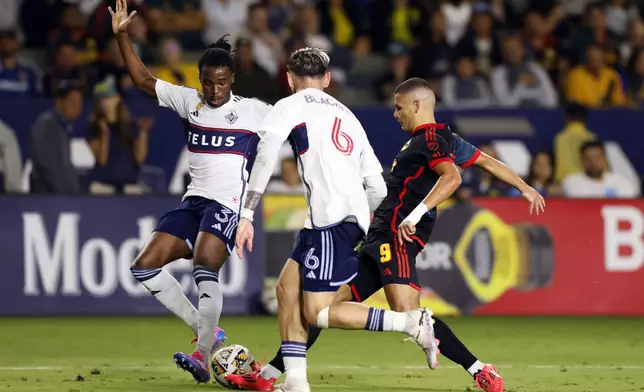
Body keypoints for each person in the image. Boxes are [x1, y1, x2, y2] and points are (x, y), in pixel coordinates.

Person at [228, 78, 546, 392]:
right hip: (378, 238)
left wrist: (417, 214)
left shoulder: (433, 138)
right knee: (321, 309)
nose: (395, 114)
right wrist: (524, 187)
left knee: (410, 316)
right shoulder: (435, 140)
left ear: (417, 105)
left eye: (399, 107)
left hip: (396, 238)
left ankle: (481, 371)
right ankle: (266, 375)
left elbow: (453, 179)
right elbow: (486, 162)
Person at [234, 49, 436, 392]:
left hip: (332, 221)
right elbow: (375, 183)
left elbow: (266, 155)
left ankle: (410, 324)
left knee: (318, 313)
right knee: (286, 288)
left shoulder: (289, 106)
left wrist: (247, 213)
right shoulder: (348, 115)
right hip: (338, 220)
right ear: (327, 79)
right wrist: (382, 226)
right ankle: (295, 382)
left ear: (289, 79)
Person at [108, 0, 272, 383]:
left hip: (227, 205)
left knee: (203, 265)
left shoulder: (255, 112)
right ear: (199, 78)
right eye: (208, 82)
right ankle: (207, 328)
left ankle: (201, 353)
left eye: (222, 82)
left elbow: (296, 125)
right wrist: (123, 37)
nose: (215, 90)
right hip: (193, 201)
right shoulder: (189, 101)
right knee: (143, 266)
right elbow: (143, 81)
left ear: (233, 78)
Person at [29, 82, 83, 194]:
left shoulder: (62, 126)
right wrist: (69, 196)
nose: (77, 108)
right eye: (72, 102)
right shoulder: (49, 125)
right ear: (59, 102)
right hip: (48, 199)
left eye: (79, 103)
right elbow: (51, 168)